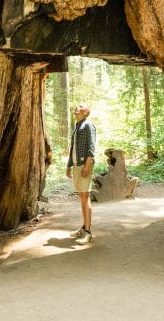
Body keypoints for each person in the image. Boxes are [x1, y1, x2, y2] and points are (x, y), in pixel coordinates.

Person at [66, 104, 96, 244]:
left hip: (85, 164)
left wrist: (87, 166)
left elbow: (91, 147)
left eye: (80, 107)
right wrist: (69, 166)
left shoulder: (89, 126)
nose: (76, 108)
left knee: (85, 196)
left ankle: (88, 232)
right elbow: (72, 148)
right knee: (82, 196)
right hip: (77, 165)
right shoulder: (77, 126)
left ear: (85, 112)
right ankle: (84, 228)